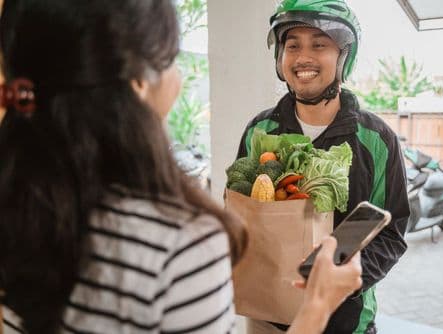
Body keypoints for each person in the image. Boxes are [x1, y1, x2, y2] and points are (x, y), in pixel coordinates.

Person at [0, 1, 362, 333]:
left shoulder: (17, 210)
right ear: (140, 84)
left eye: (320, 44)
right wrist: (318, 304)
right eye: (171, 58)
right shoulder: (181, 243)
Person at [237, 1, 410, 333]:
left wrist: (342, 281)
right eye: (293, 45)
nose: (303, 57)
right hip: (267, 315)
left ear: (344, 57)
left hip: (348, 320)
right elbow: (242, 215)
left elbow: (391, 233)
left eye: (319, 44)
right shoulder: (259, 132)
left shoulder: (376, 139)